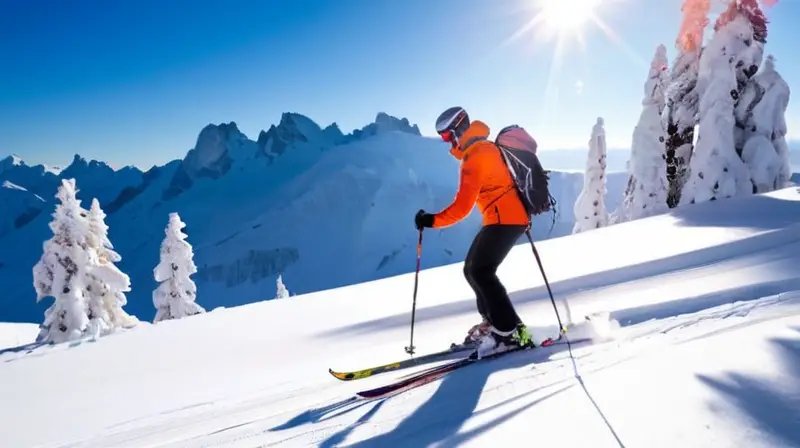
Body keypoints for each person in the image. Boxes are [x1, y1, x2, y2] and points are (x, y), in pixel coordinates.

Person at [414, 106, 533, 356]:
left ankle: (508, 331)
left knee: (482, 271)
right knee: (472, 270)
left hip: (506, 219)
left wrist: (431, 221)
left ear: (457, 130)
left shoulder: (476, 154)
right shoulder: (481, 149)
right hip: (502, 219)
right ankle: (496, 323)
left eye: (446, 136)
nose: (445, 141)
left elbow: (462, 208)